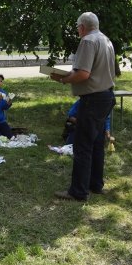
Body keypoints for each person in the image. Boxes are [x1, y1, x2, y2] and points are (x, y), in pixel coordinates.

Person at [50, 12, 115, 201]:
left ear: (82, 27)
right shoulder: (106, 40)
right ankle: (96, 184)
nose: (78, 30)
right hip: (105, 96)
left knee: (82, 146)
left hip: (93, 100)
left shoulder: (87, 41)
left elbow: (83, 74)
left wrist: (63, 79)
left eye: (77, 27)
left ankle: (78, 191)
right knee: (96, 144)